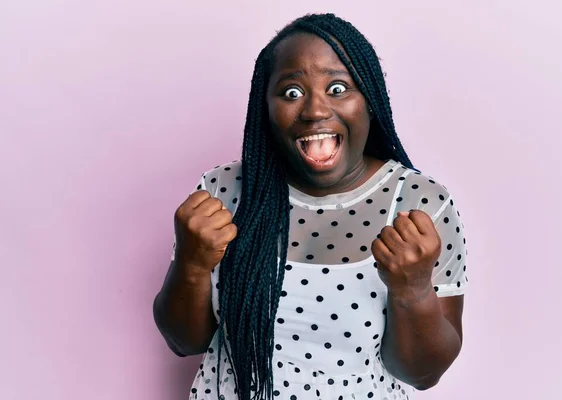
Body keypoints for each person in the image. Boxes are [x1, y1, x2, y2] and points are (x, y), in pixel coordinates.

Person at [153, 13, 469, 400]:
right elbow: (184, 342)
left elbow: (421, 375)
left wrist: (414, 289)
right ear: (264, 108)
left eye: (338, 88)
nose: (315, 111)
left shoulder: (422, 205)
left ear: (370, 99)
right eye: (291, 92)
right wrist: (191, 262)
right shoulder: (222, 191)